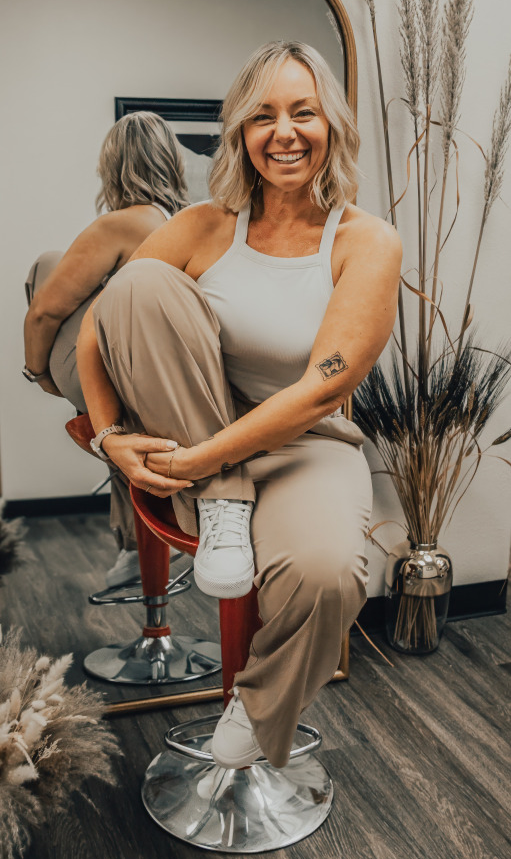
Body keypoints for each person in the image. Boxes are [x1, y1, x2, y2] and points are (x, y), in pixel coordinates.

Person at [76, 40, 402, 770]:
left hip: (304, 443)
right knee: (135, 285)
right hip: (199, 430)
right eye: (262, 116)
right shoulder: (203, 223)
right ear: (240, 133)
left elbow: (323, 387)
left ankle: (259, 708)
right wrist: (107, 436)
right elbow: (99, 324)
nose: (283, 132)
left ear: (332, 125)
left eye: (302, 113)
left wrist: (200, 461)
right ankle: (225, 502)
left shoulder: (366, 241)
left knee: (329, 574)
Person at [23, 111, 190, 587]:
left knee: (45, 266)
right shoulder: (186, 222)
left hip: (116, 380)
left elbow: (43, 315)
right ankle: (134, 543)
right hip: (168, 381)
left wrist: (39, 374)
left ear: (113, 167)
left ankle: (135, 544)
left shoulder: (119, 224)